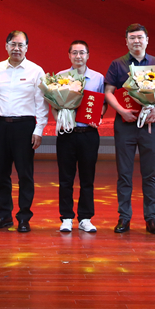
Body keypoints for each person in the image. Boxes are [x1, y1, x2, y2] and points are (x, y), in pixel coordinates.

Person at [103, 23, 155, 234]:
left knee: (150, 174)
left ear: (147, 40)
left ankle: (151, 218)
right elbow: (109, 92)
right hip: (125, 125)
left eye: (140, 37)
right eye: (132, 38)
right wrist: (122, 111)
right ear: (126, 41)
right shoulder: (117, 64)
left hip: (150, 125)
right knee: (124, 173)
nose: (136, 41)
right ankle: (124, 217)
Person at [0, 30, 47, 233]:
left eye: (21, 45)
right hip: (0, 125)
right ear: (6, 46)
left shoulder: (36, 71)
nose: (16, 48)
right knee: (1, 174)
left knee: (25, 174)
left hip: (24, 126)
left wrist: (39, 129)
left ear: (27, 48)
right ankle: (4, 216)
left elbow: (41, 103)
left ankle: (24, 217)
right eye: (13, 44)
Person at [56, 40, 106, 233]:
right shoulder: (60, 77)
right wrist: (60, 121)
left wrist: (98, 117)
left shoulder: (98, 78)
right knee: (65, 178)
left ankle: (85, 218)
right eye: (74, 53)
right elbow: (54, 105)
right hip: (67, 134)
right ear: (69, 55)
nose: (78, 56)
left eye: (82, 53)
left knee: (87, 178)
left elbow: (102, 103)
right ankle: (66, 217)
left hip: (88, 134)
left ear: (88, 55)